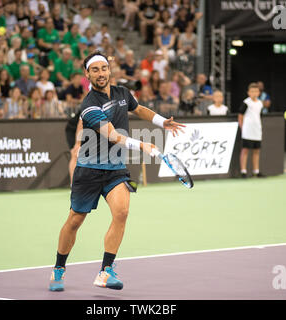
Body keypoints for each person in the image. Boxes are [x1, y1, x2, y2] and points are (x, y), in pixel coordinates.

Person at [49, 51, 185, 292]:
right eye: (95, 70)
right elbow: (112, 135)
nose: (101, 73)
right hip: (89, 171)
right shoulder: (89, 106)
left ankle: (105, 271)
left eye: (104, 68)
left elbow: (139, 109)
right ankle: (59, 268)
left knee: (121, 213)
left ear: (109, 70)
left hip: (116, 170)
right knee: (75, 221)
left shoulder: (122, 93)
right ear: (87, 74)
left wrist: (161, 122)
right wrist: (143, 145)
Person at [239, 83, 264, 178]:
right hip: (247, 131)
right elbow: (240, 115)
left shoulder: (260, 103)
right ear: (248, 93)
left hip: (257, 130)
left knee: (256, 151)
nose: (254, 93)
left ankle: (256, 171)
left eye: (256, 91)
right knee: (245, 150)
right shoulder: (246, 102)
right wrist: (242, 127)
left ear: (259, 93)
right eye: (252, 91)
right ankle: (243, 171)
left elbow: (259, 116)